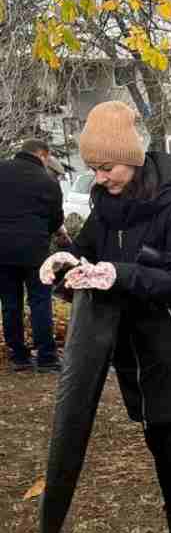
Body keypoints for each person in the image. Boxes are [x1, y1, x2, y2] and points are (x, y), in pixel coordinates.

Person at [40, 101, 171, 533]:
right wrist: (64, 264)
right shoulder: (107, 208)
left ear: (132, 159)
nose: (101, 178)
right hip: (136, 350)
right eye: (95, 169)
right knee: (158, 443)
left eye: (108, 167)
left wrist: (118, 274)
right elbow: (89, 256)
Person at [0, 139, 65, 373]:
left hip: (2, 250)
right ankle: (46, 357)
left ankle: (19, 356)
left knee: (10, 302)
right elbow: (56, 219)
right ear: (43, 155)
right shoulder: (48, 181)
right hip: (35, 251)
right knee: (40, 301)